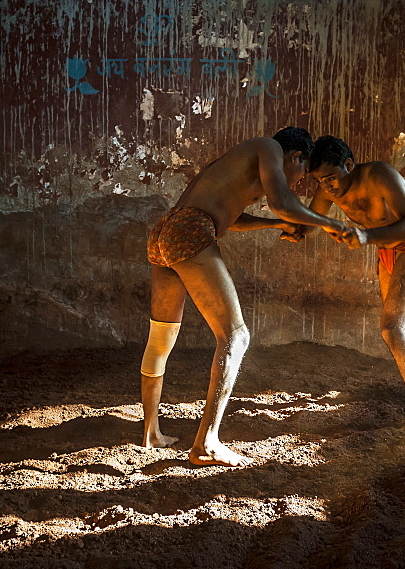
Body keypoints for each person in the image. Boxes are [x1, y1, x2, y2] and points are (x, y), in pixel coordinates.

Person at [140, 127, 350, 466]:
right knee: (235, 336)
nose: (300, 181)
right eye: (303, 173)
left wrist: (272, 226)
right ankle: (206, 443)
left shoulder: (243, 163)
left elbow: (232, 219)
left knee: (161, 338)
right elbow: (283, 203)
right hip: (191, 230)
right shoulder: (269, 148)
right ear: (296, 157)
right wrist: (333, 225)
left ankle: (151, 432)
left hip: (167, 230)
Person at [287, 135, 405, 435]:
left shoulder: (378, 174)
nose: (327, 186)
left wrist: (367, 237)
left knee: (392, 327)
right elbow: (310, 220)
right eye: (320, 181)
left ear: (349, 164)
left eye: (331, 178)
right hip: (387, 250)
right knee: (404, 325)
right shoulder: (329, 189)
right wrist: (293, 229)